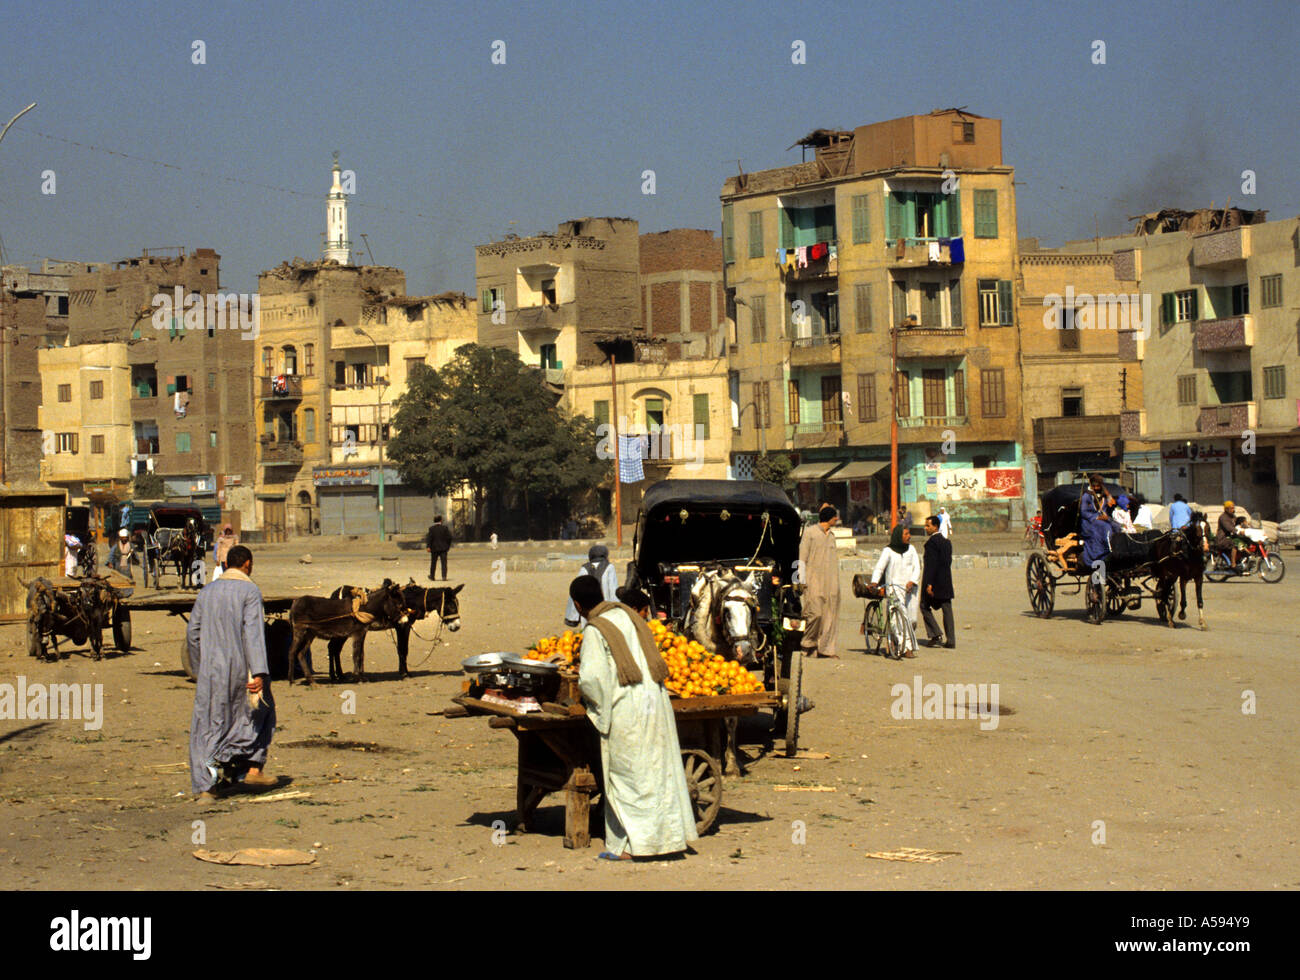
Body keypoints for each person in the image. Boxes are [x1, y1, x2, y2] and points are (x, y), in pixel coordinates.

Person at [571, 576, 697, 860]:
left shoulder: (594, 630)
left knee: (627, 777)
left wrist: (595, 711)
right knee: (657, 771)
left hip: (626, 708)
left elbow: (592, 680)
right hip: (656, 701)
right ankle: (668, 839)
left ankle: (633, 847)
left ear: (578, 606)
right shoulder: (627, 614)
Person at [187, 545, 277, 800]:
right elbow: (253, 633)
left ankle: (207, 787)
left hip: (210, 671)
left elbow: (192, 633)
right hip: (240, 667)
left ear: (226, 564)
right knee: (259, 714)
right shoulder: (250, 590)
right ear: (247, 564)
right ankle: (252, 768)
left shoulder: (207, 591)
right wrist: (259, 672)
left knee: (209, 724)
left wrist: (198, 669)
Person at [870, 523, 922, 657]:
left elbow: (917, 567)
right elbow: (879, 568)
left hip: (910, 589)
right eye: (906, 534)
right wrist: (874, 581)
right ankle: (906, 648)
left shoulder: (911, 549)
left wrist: (913, 581)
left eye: (909, 534)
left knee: (912, 619)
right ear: (899, 536)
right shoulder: (888, 551)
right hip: (894, 588)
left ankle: (897, 641)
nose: (909, 536)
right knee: (898, 619)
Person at [798, 504, 841, 659]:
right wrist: (800, 581)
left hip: (831, 582)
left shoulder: (832, 536)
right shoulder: (810, 533)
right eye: (835, 516)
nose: (837, 519)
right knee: (814, 614)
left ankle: (826, 649)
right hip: (812, 581)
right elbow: (802, 558)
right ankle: (807, 644)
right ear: (829, 518)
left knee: (830, 616)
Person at [919, 515, 955, 648]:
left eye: (928, 525)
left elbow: (931, 565)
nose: (925, 528)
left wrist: (929, 584)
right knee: (947, 609)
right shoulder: (946, 542)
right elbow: (947, 562)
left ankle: (935, 633)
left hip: (933, 582)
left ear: (935, 526)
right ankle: (951, 640)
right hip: (945, 581)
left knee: (924, 606)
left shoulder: (931, 544)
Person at [564, 544, 619, 628]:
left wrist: (572, 617)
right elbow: (613, 589)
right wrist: (616, 610)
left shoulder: (584, 568)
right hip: (606, 609)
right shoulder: (609, 567)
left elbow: (576, 590)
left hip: (587, 609)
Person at [425, 515, 453, 581]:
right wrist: (447, 546)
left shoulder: (431, 529)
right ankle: (444, 576)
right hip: (443, 549)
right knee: (444, 563)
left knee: (433, 563)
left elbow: (429, 539)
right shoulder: (445, 528)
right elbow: (449, 538)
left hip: (434, 549)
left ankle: (432, 576)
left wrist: (428, 547)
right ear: (441, 520)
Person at [1214, 500, 1241, 569]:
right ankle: (1233, 564)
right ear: (1226, 509)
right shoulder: (1223, 517)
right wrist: (1237, 531)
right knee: (1235, 543)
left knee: (1243, 542)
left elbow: (1238, 523)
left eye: (1233, 508)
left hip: (1229, 537)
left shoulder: (1233, 516)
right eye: (1231, 508)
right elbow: (1229, 527)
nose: (1233, 509)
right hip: (1222, 539)